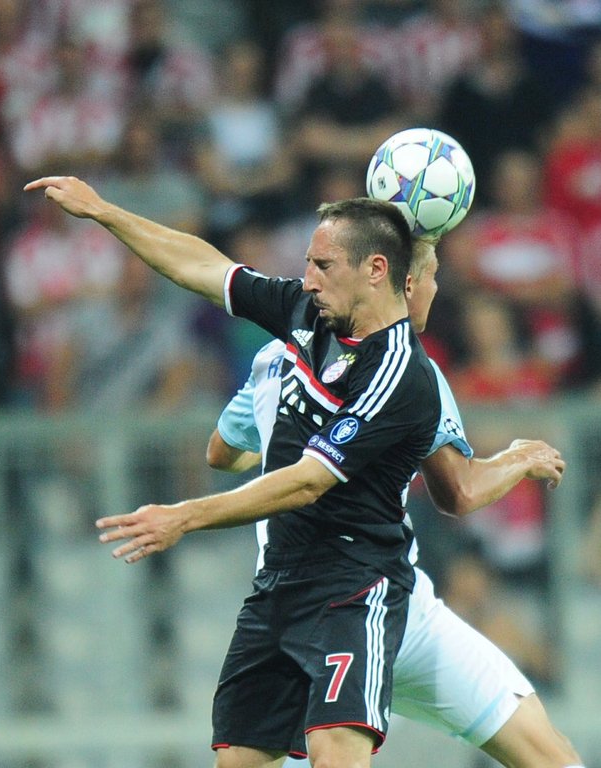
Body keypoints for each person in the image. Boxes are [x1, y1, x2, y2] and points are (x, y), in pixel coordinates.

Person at [23, 176, 444, 768]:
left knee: (335, 756)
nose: (308, 279)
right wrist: (104, 212)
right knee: (237, 761)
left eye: (323, 265)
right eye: (308, 264)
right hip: (280, 583)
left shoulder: (401, 373)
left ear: (376, 270)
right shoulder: (308, 313)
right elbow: (202, 266)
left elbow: (308, 480)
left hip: (353, 588)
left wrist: (185, 516)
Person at [206, 237, 584, 768]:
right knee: (546, 755)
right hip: (356, 605)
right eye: (428, 277)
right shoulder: (410, 371)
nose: (434, 289)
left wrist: (274, 444)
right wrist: (516, 459)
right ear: (400, 284)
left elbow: (222, 452)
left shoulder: (276, 358)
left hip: (373, 605)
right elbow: (460, 490)